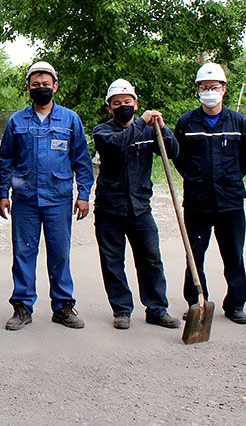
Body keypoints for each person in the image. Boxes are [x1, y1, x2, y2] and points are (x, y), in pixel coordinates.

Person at [0, 61, 94, 331]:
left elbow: (82, 161)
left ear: (55, 86)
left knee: (60, 253)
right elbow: (6, 160)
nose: (41, 88)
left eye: (46, 84)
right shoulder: (17, 121)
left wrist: (83, 194)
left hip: (58, 199)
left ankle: (63, 306)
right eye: (36, 84)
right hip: (25, 200)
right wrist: (3, 193)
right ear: (28, 87)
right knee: (23, 253)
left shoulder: (70, 120)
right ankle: (22, 307)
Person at [92, 79, 180, 330]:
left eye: (127, 102)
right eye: (116, 103)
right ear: (109, 107)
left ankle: (156, 308)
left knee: (151, 259)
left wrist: (163, 129)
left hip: (140, 207)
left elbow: (173, 152)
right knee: (112, 261)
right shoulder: (103, 131)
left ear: (135, 102)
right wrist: (141, 122)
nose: (122, 106)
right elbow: (116, 145)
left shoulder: (150, 131)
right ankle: (121, 309)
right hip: (110, 208)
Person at [172, 62, 246, 324]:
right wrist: (197, 177)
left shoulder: (238, 122)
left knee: (233, 255)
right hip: (197, 201)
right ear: (198, 90)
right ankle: (196, 301)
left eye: (214, 87)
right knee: (194, 255)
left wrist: (227, 179)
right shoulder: (187, 122)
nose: (209, 91)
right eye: (204, 87)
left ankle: (235, 304)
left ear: (224, 89)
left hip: (230, 201)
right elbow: (178, 157)